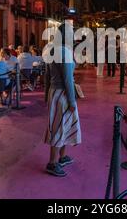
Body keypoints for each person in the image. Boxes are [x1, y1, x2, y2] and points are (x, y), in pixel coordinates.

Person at [44, 23, 81, 177]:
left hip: (55, 92)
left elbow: (47, 74)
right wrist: (72, 101)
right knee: (59, 127)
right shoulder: (63, 52)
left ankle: (62, 157)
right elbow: (68, 78)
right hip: (63, 94)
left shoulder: (52, 49)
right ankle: (52, 163)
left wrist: (46, 95)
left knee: (62, 125)